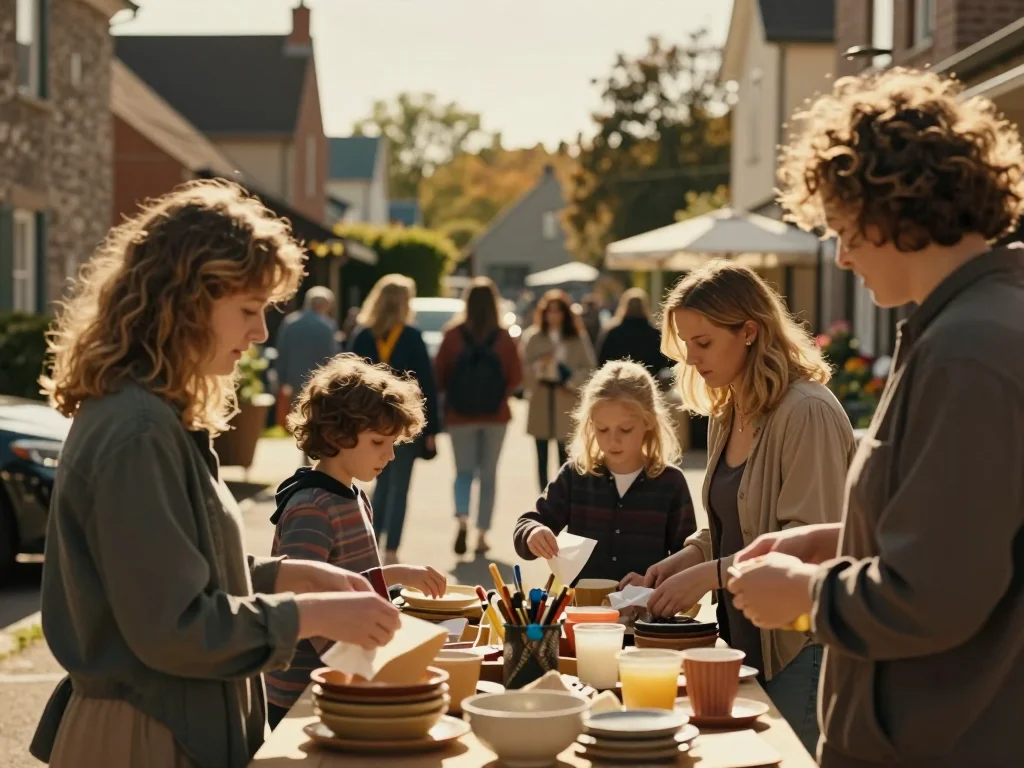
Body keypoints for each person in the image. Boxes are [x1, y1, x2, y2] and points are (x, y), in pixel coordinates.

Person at [30, 180, 401, 768]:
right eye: (248, 311)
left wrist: (287, 575)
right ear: (183, 304)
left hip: (166, 722)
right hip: (144, 735)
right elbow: (173, 625)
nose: (260, 333)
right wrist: (314, 614)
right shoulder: (138, 430)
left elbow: (169, 570)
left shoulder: (154, 416)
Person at [727, 68, 1024, 768]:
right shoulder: (975, 326)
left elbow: (936, 595)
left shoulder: (969, 348)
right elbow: (974, 535)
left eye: (842, 230)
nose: (841, 256)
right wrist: (843, 541)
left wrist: (804, 596)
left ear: (894, 207)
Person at [642, 260, 855, 752]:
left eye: (703, 342)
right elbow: (737, 523)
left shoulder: (807, 411)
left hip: (801, 647)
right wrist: (686, 559)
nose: (692, 358)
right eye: (686, 344)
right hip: (746, 641)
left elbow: (812, 542)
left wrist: (709, 575)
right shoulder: (729, 407)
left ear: (750, 331)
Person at [266, 354, 447, 729]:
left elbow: (349, 583)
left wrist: (397, 577)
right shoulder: (312, 508)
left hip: (348, 678)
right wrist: (373, 663)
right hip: (307, 690)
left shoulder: (355, 495)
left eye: (393, 442)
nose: (390, 454)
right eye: (378, 441)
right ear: (336, 436)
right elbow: (300, 597)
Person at [513, 360, 696, 585]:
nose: (613, 440)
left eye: (625, 429)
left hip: (645, 606)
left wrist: (651, 582)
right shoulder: (575, 475)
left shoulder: (671, 483)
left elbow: (687, 561)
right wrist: (533, 533)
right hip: (582, 606)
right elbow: (529, 522)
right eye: (602, 429)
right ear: (590, 425)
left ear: (648, 421)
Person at [347, 274, 439, 565]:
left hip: (367, 424)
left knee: (379, 485)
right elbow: (427, 385)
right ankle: (391, 550)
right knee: (400, 488)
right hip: (402, 425)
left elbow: (347, 380)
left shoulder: (363, 335)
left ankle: (370, 542)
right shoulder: (411, 336)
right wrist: (432, 429)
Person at [434, 277, 524, 556]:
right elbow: (517, 377)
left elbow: (439, 374)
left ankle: (462, 517)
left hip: (459, 416)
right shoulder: (504, 337)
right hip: (496, 416)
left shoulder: (453, 335)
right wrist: (498, 394)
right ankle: (482, 534)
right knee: (488, 474)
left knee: (463, 472)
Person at [520, 288, 596, 490]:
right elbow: (523, 371)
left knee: (566, 456)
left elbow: (590, 369)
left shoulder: (577, 338)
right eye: (549, 311)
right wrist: (540, 366)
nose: (553, 316)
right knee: (541, 456)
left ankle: (565, 496)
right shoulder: (534, 337)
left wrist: (570, 379)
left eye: (558, 311)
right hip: (541, 400)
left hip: (566, 399)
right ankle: (544, 497)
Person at [274, 286, 339, 462]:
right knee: (318, 417)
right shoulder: (327, 326)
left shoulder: (291, 322)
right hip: (320, 380)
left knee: (302, 416)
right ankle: (314, 451)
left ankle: (304, 451)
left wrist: (281, 380)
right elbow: (333, 356)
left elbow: (282, 352)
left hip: (295, 378)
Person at [596, 287, 672, 379]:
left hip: (618, 381)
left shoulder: (612, 332)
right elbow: (665, 362)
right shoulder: (655, 334)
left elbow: (602, 360)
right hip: (648, 381)